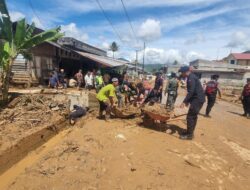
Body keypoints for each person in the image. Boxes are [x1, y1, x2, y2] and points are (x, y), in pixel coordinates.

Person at [179, 66, 205, 140]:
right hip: (197, 99)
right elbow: (193, 91)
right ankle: (189, 132)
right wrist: (189, 101)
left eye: (182, 72)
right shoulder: (192, 77)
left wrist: (184, 101)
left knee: (190, 117)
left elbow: (191, 91)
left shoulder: (191, 78)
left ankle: (190, 135)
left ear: (185, 72)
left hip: (197, 100)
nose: (181, 74)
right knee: (193, 116)